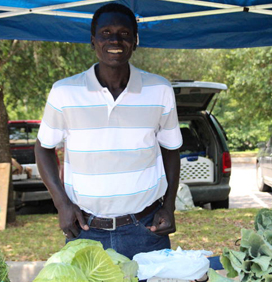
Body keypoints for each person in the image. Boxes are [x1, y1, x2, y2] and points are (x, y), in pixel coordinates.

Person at [35, 3, 182, 259]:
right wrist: (62, 204)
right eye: (106, 33)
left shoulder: (159, 89)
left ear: (135, 42)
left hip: (146, 229)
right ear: (93, 41)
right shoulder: (64, 92)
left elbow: (171, 150)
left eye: (124, 34)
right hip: (85, 229)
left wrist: (169, 206)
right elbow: (43, 147)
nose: (115, 40)